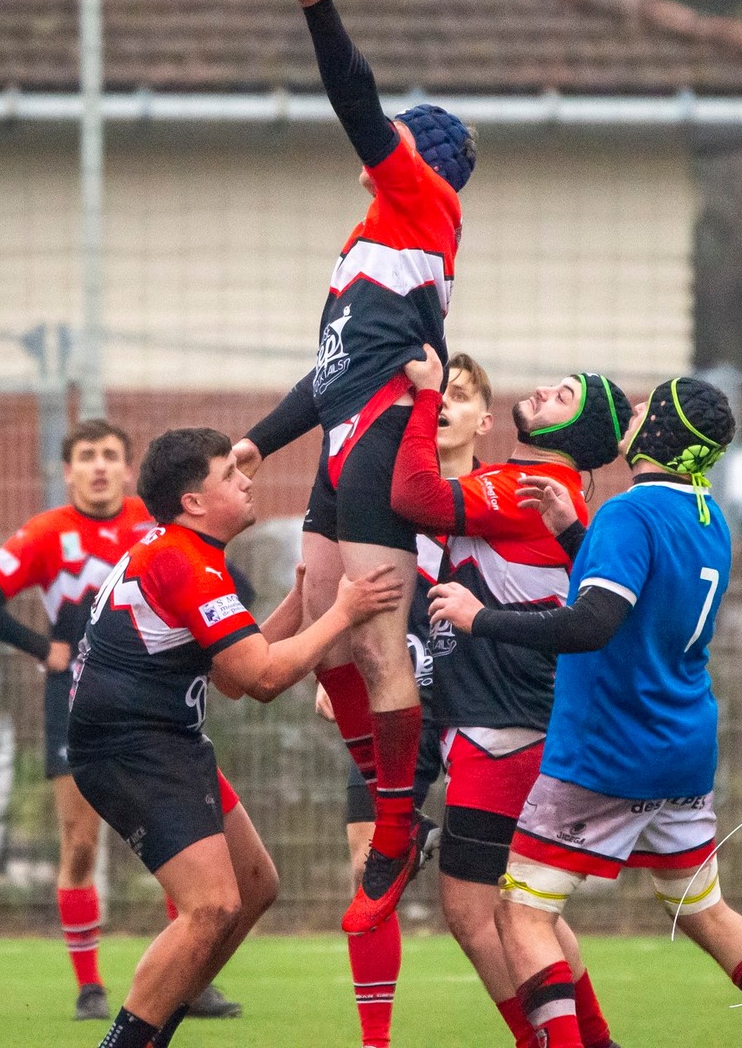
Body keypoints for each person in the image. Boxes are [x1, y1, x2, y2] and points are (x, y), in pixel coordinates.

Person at [432, 378, 742, 1048]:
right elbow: (636, 610)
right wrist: (572, 532)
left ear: (658, 435)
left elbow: (592, 623)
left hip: (609, 747)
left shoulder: (629, 512)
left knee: (524, 913)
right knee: (704, 908)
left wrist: (481, 618)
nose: (635, 413)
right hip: (681, 747)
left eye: (649, 408)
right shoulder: (707, 516)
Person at [235, 0, 473, 935]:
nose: (377, 150)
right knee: (331, 606)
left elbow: (356, 101)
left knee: (375, 633)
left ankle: (391, 822)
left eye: (394, 141)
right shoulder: (371, 235)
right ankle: (385, 793)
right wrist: (259, 437)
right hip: (344, 435)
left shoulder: (420, 201)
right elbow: (330, 371)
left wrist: (319, 11)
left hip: (383, 437)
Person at [68, 428, 404, 1048]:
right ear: (194, 501)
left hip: (164, 741)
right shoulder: (184, 561)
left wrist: (304, 604)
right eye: (228, 474)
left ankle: (151, 1026)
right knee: (213, 906)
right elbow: (266, 678)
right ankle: (126, 1041)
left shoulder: (181, 551)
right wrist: (343, 612)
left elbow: (231, 677)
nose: (246, 480)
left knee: (254, 889)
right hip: (132, 751)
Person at [0, 420, 240, 1024]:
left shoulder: (155, 522)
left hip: (155, 705)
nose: (100, 466)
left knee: (180, 837)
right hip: (79, 701)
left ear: (130, 468)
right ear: (68, 471)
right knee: (80, 843)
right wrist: (41, 648)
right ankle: (89, 985)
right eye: (87, 457)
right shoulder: (46, 531)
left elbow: (225, 581)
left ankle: (190, 975)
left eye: (111, 455)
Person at [392, 348, 627, 1048]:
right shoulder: (530, 489)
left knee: (476, 910)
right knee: (533, 912)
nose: (545, 390)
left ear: (574, 433)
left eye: (564, 395)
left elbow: (414, 497)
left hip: (503, 729)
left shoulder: (520, 486)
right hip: (508, 723)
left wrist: (427, 395)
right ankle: (596, 1041)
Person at [327, 352, 489, 1048]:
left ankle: (561, 1028)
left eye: (462, 393)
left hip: (486, 710)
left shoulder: (503, 501)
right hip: (399, 712)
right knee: (368, 871)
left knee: (498, 902)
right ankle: (375, 1040)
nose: (445, 402)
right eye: (437, 392)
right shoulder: (387, 511)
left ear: (486, 417)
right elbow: (339, 591)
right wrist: (332, 671)